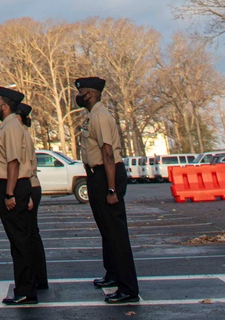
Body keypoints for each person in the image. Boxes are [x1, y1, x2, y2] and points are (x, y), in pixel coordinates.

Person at [76, 75, 140, 305]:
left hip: (106, 174)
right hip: (96, 175)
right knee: (106, 230)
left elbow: (108, 153)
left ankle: (128, 287)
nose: (78, 96)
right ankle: (112, 274)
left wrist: (111, 188)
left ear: (90, 94)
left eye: (81, 92)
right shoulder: (92, 115)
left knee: (116, 233)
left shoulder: (101, 116)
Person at [0, 86, 38, 306]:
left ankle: (26, 290)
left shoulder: (10, 128)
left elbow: (13, 162)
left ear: (6, 106)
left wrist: (9, 193)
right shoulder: (9, 126)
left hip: (12, 186)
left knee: (19, 241)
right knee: (20, 240)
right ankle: (25, 287)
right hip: (18, 186)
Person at [16, 104, 47, 292]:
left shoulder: (21, 134)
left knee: (29, 235)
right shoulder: (21, 133)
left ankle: (36, 277)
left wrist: (26, 194)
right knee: (32, 234)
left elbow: (24, 165)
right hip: (31, 185)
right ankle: (38, 277)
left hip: (29, 186)